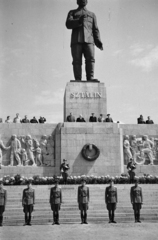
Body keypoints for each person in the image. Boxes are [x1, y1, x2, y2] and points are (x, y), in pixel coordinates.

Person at [66, 0, 103, 81]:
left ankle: (90, 78)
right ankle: (78, 79)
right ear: (77, 1)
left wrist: (98, 40)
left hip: (89, 40)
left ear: (87, 1)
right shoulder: (72, 12)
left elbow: (95, 29)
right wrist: (78, 21)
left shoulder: (92, 15)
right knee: (77, 60)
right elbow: (68, 24)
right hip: (76, 40)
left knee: (91, 59)